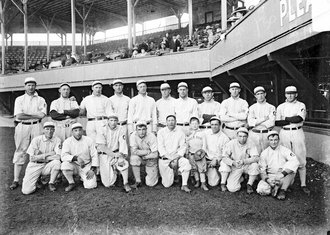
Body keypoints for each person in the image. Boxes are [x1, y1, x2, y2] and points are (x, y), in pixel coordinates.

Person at [10, 77, 47, 190]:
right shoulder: (19, 99)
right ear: (25, 86)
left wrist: (29, 115)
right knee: (20, 150)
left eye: (33, 85)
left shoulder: (40, 99)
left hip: (37, 125)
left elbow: (42, 115)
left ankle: (38, 178)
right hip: (23, 126)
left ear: (35, 86)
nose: (31, 87)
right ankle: (16, 179)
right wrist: (34, 114)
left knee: (37, 151)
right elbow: (19, 116)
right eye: (28, 85)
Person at [275, 86, 310, 195]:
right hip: (284, 132)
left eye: (292, 93)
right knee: (286, 158)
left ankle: (303, 184)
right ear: (285, 94)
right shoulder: (281, 106)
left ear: (296, 94)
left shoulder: (301, 105)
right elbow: (277, 123)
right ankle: (288, 184)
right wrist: (291, 119)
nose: (290, 95)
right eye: (288, 93)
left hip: (297, 132)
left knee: (300, 158)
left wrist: (285, 119)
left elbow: (299, 119)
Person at [257, 130, 300, 200]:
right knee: (261, 189)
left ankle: (283, 190)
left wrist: (282, 174)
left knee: (292, 166)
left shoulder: (284, 150)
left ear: (279, 140)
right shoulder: (264, 153)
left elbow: (295, 161)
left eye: (275, 140)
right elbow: (262, 171)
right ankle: (275, 187)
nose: (273, 142)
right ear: (268, 140)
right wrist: (268, 180)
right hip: (271, 176)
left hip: (283, 176)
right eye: (271, 140)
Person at [21, 122, 62, 194]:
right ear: (43, 130)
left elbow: (58, 157)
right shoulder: (36, 139)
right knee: (26, 191)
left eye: (52, 129)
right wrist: (48, 154)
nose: (49, 131)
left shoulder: (57, 140)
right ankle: (37, 179)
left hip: (46, 165)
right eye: (47, 129)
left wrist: (39, 156)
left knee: (57, 163)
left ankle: (51, 183)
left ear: (54, 130)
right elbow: (32, 158)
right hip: (34, 165)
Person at [95, 114, 131, 192]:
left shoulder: (121, 128)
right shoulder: (102, 129)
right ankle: (116, 173)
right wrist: (113, 154)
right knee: (108, 183)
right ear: (108, 121)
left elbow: (123, 143)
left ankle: (125, 182)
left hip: (117, 153)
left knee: (123, 163)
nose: (113, 122)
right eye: (111, 120)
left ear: (117, 121)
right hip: (104, 155)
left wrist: (121, 157)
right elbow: (102, 147)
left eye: (115, 120)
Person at [157, 115, 191, 192]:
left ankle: (184, 185)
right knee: (167, 184)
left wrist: (176, 158)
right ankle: (174, 174)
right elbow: (161, 147)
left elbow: (183, 147)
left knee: (186, 162)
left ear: (175, 122)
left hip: (176, 158)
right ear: (166, 122)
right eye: (169, 120)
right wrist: (170, 158)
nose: (171, 122)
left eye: (172, 120)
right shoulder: (161, 132)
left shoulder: (180, 132)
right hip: (165, 159)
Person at [219, 127, 259, 193]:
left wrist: (244, 161)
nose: (242, 138)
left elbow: (256, 157)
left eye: (244, 136)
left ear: (247, 136)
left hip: (245, 165)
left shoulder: (251, 143)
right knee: (232, 189)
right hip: (235, 166)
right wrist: (233, 163)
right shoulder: (231, 143)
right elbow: (224, 157)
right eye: (240, 136)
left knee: (255, 165)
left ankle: (249, 184)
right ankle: (224, 183)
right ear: (237, 136)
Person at [61, 123, 98, 191]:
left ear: (82, 131)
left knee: (91, 185)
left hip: (86, 166)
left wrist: (92, 169)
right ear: (72, 132)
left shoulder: (88, 140)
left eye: (80, 130)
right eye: (75, 130)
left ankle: (82, 178)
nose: (78, 133)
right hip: (74, 165)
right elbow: (63, 156)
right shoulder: (67, 141)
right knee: (64, 165)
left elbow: (94, 154)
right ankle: (71, 182)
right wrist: (76, 158)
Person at [202, 117, 230, 189]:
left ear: (220, 125)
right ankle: (204, 178)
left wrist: (216, 159)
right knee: (212, 183)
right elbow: (203, 147)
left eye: (216, 125)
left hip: (219, 160)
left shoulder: (225, 138)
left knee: (213, 183)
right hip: (208, 159)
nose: (214, 126)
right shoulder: (206, 133)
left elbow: (224, 154)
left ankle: (223, 182)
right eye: (212, 124)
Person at [130, 120, 159, 188]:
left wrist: (145, 157)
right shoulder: (133, 135)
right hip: (141, 156)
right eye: (139, 129)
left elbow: (155, 154)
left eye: (143, 129)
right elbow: (134, 151)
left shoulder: (151, 136)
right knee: (134, 158)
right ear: (136, 130)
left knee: (151, 184)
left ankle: (154, 174)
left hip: (151, 159)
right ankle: (138, 181)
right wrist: (148, 151)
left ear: (146, 129)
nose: (141, 132)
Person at [247, 86, 276, 154]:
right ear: (255, 96)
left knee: (267, 154)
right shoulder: (252, 107)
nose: (260, 96)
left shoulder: (271, 107)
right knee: (254, 154)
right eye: (258, 94)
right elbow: (250, 122)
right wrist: (264, 119)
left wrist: (256, 122)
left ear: (265, 94)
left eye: (262, 93)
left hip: (266, 133)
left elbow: (271, 123)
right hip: (254, 134)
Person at [186, 117, 208, 190]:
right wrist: (187, 153)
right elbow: (186, 144)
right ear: (190, 124)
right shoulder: (188, 133)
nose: (194, 125)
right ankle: (197, 181)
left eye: (196, 123)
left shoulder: (202, 133)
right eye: (192, 124)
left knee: (201, 169)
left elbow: (204, 144)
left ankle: (203, 183)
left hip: (200, 154)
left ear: (199, 124)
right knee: (194, 169)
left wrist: (203, 152)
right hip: (191, 154)